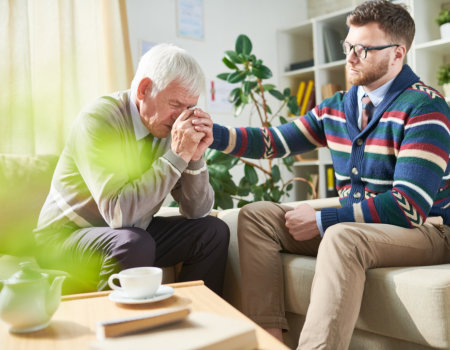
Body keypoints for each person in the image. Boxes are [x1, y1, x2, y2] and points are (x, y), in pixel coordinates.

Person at [207, 1, 450, 349]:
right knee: (256, 216)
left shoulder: (425, 107)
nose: (350, 57)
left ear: (398, 54)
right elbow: (273, 142)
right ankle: (269, 342)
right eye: (348, 46)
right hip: (365, 228)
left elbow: (409, 208)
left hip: (429, 231)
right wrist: (209, 134)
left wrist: (324, 220)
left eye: (363, 49)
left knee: (340, 236)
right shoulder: (337, 107)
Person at [34, 43, 230, 295]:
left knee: (212, 232)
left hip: (130, 233)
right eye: (175, 104)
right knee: (134, 243)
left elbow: (197, 211)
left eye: (189, 108)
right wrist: (177, 155)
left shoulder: (168, 129)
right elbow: (119, 215)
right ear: (144, 89)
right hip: (64, 238)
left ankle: (198, 317)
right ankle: (116, 326)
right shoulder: (99, 119)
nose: (182, 118)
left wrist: (195, 157)